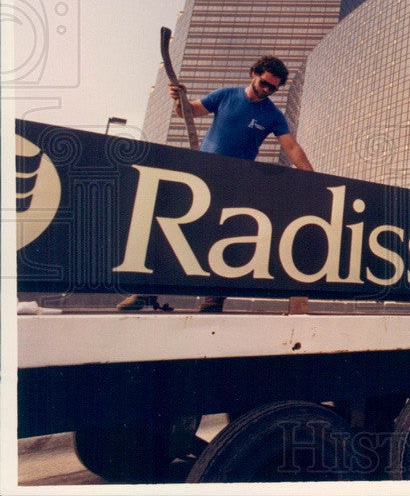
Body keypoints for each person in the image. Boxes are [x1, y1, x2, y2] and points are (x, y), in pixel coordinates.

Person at [117, 56, 312, 313]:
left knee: (224, 236)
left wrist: (311, 176)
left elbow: (291, 146)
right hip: (201, 175)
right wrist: (179, 99)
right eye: (264, 83)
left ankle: (214, 299)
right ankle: (145, 292)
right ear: (252, 72)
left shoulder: (272, 115)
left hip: (235, 182)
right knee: (173, 228)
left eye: (273, 89)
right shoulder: (225, 95)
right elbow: (187, 111)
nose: (267, 91)